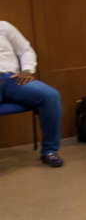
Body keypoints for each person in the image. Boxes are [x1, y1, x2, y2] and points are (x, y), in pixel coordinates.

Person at [0, 20, 63, 167]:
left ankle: (49, 151)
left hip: (12, 79)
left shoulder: (4, 26)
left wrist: (26, 70)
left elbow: (25, 50)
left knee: (50, 96)